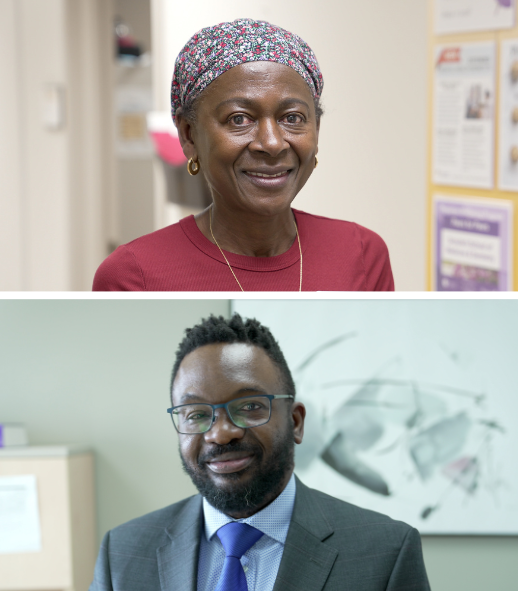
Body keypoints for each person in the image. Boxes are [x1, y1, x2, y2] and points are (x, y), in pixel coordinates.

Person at [89, 314, 429, 590]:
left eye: (250, 406)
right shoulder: (122, 554)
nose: (220, 433)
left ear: (296, 422)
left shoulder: (386, 553)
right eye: (196, 414)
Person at [93, 19, 394, 291]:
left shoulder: (362, 255)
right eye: (239, 119)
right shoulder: (134, 277)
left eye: (292, 118)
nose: (273, 143)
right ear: (188, 135)